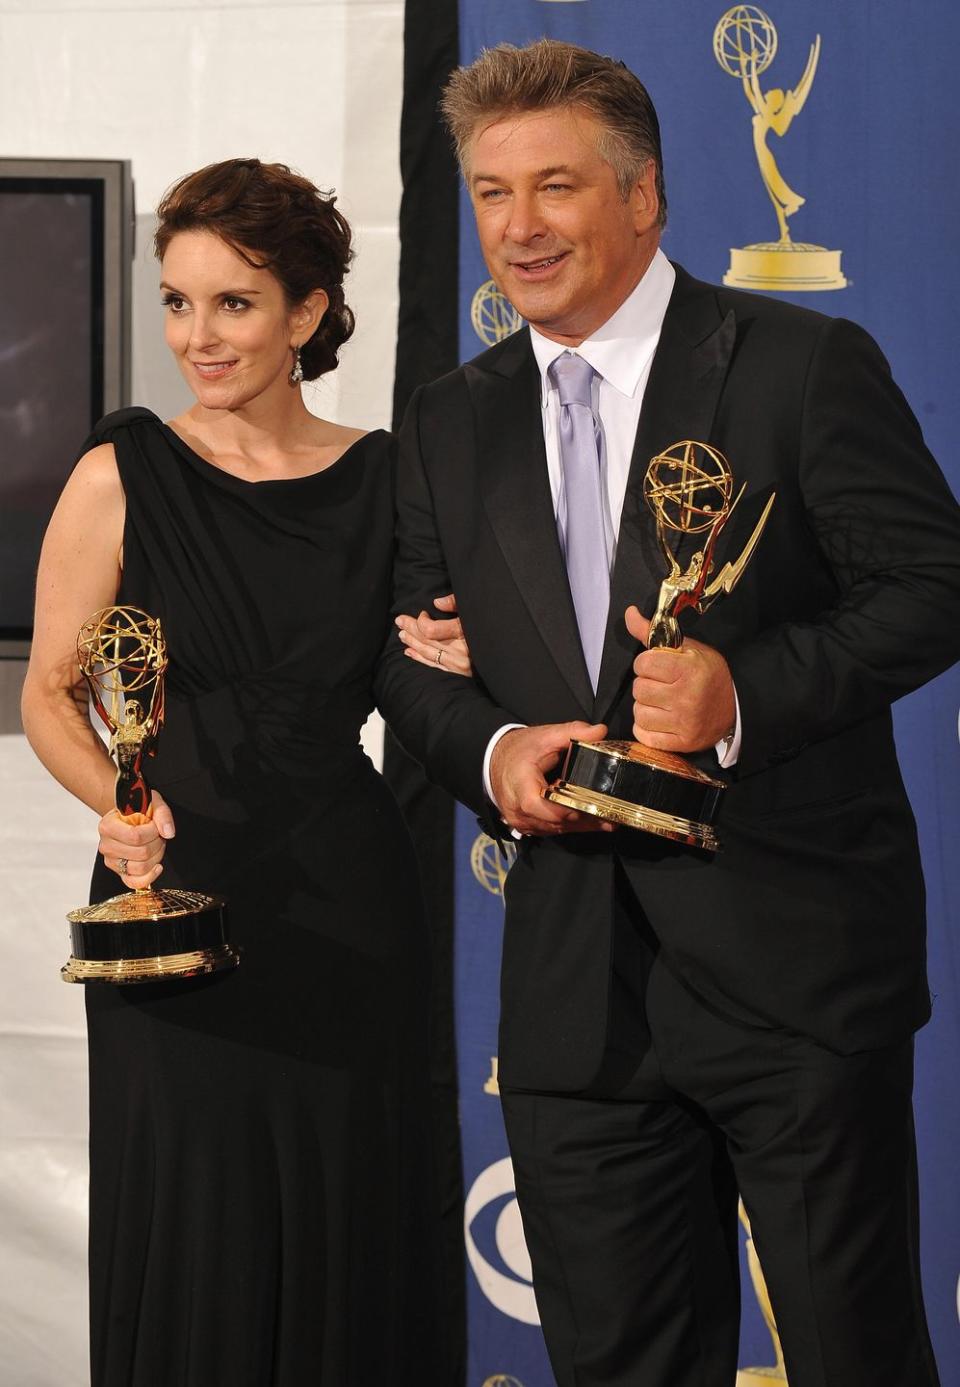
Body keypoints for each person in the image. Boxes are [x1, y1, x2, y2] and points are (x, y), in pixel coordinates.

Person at [378, 39, 960, 1387]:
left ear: (642, 197)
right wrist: (495, 745)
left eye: (556, 186)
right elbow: (409, 659)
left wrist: (741, 691)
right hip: (578, 996)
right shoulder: (450, 418)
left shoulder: (798, 364)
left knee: (855, 1353)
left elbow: (933, 583)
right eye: (490, 193)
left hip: (797, 966)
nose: (518, 228)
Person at [21, 158, 464, 1387]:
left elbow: (424, 668)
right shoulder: (122, 472)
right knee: (195, 1225)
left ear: (309, 312)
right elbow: (50, 694)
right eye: (176, 302)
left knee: (350, 1224)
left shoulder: (389, 476)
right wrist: (117, 808)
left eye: (233, 303)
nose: (196, 337)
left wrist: (455, 649)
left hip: (347, 905)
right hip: (172, 895)